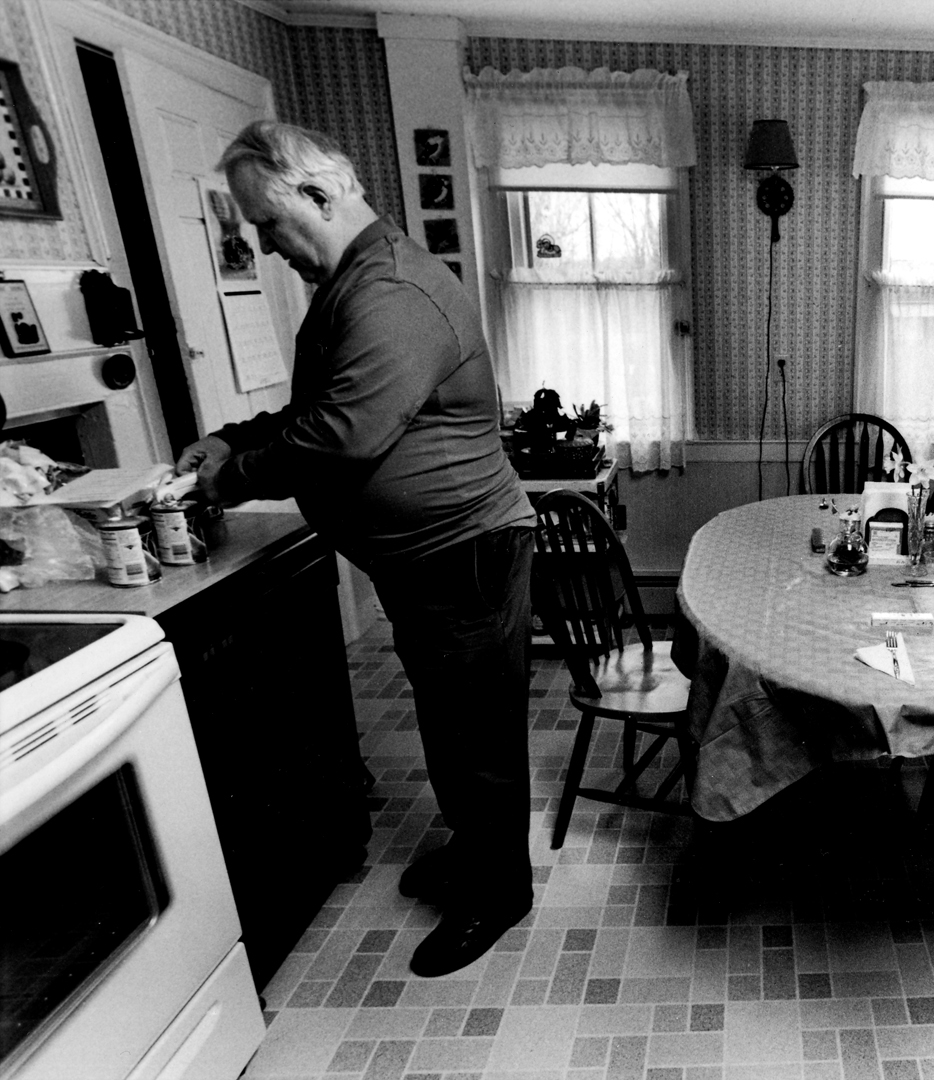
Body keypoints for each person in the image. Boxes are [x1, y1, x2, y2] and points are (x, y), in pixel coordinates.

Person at [177, 121, 537, 978]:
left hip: (464, 554)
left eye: (269, 224)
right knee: (452, 724)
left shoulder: (392, 293)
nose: (267, 247)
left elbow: (342, 435)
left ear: (319, 193)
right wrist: (234, 436)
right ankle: (475, 853)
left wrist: (231, 478)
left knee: (474, 733)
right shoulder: (355, 284)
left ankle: (500, 888)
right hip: (430, 558)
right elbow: (319, 407)